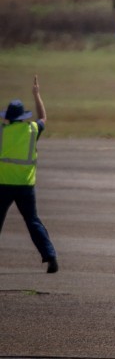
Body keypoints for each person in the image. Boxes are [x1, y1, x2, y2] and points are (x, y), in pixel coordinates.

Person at [1, 75, 58, 273]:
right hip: (26, 186)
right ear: (23, 117)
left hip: (3, 184)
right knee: (33, 221)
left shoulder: (2, 132)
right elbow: (43, 117)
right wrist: (37, 95)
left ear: (7, 117)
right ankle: (50, 257)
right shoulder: (32, 130)